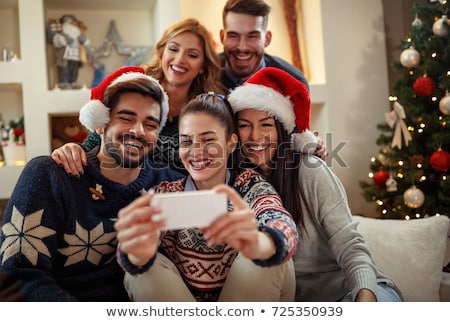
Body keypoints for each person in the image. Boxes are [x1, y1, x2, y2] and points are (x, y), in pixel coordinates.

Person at [0, 66, 184, 301]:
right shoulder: (50, 175)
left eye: (150, 124)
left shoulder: (170, 185)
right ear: (100, 124)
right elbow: (17, 277)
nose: (138, 131)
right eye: (126, 118)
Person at [228, 67, 403, 302]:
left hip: (349, 290)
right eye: (245, 125)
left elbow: (350, 246)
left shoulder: (310, 171)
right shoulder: (237, 183)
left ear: (281, 130)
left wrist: (365, 296)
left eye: (266, 125)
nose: (255, 136)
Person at [114, 93, 298, 301]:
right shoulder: (165, 193)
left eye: (208, 139)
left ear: (230, 143)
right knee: (139, 271)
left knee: (271, 255)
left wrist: (259, 243)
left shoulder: (250, 186)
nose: (196, 151)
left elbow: (280, 221)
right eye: (186, 141)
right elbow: (129, 250)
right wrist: (138, 253)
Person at [52, 18, 225, 175]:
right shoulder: (134, 89)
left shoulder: (205, 111)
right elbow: (96, 142)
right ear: (162, 52)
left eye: (192, 55)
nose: (180, 59)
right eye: (173, 49)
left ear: (203, 65)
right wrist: (73, 149)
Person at [219, 0, 308, 91]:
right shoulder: (205, 72)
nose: (242, 47)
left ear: (267, 39)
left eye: (252, 36)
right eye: (233, 36)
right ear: (222, 37)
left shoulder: (294, 83)